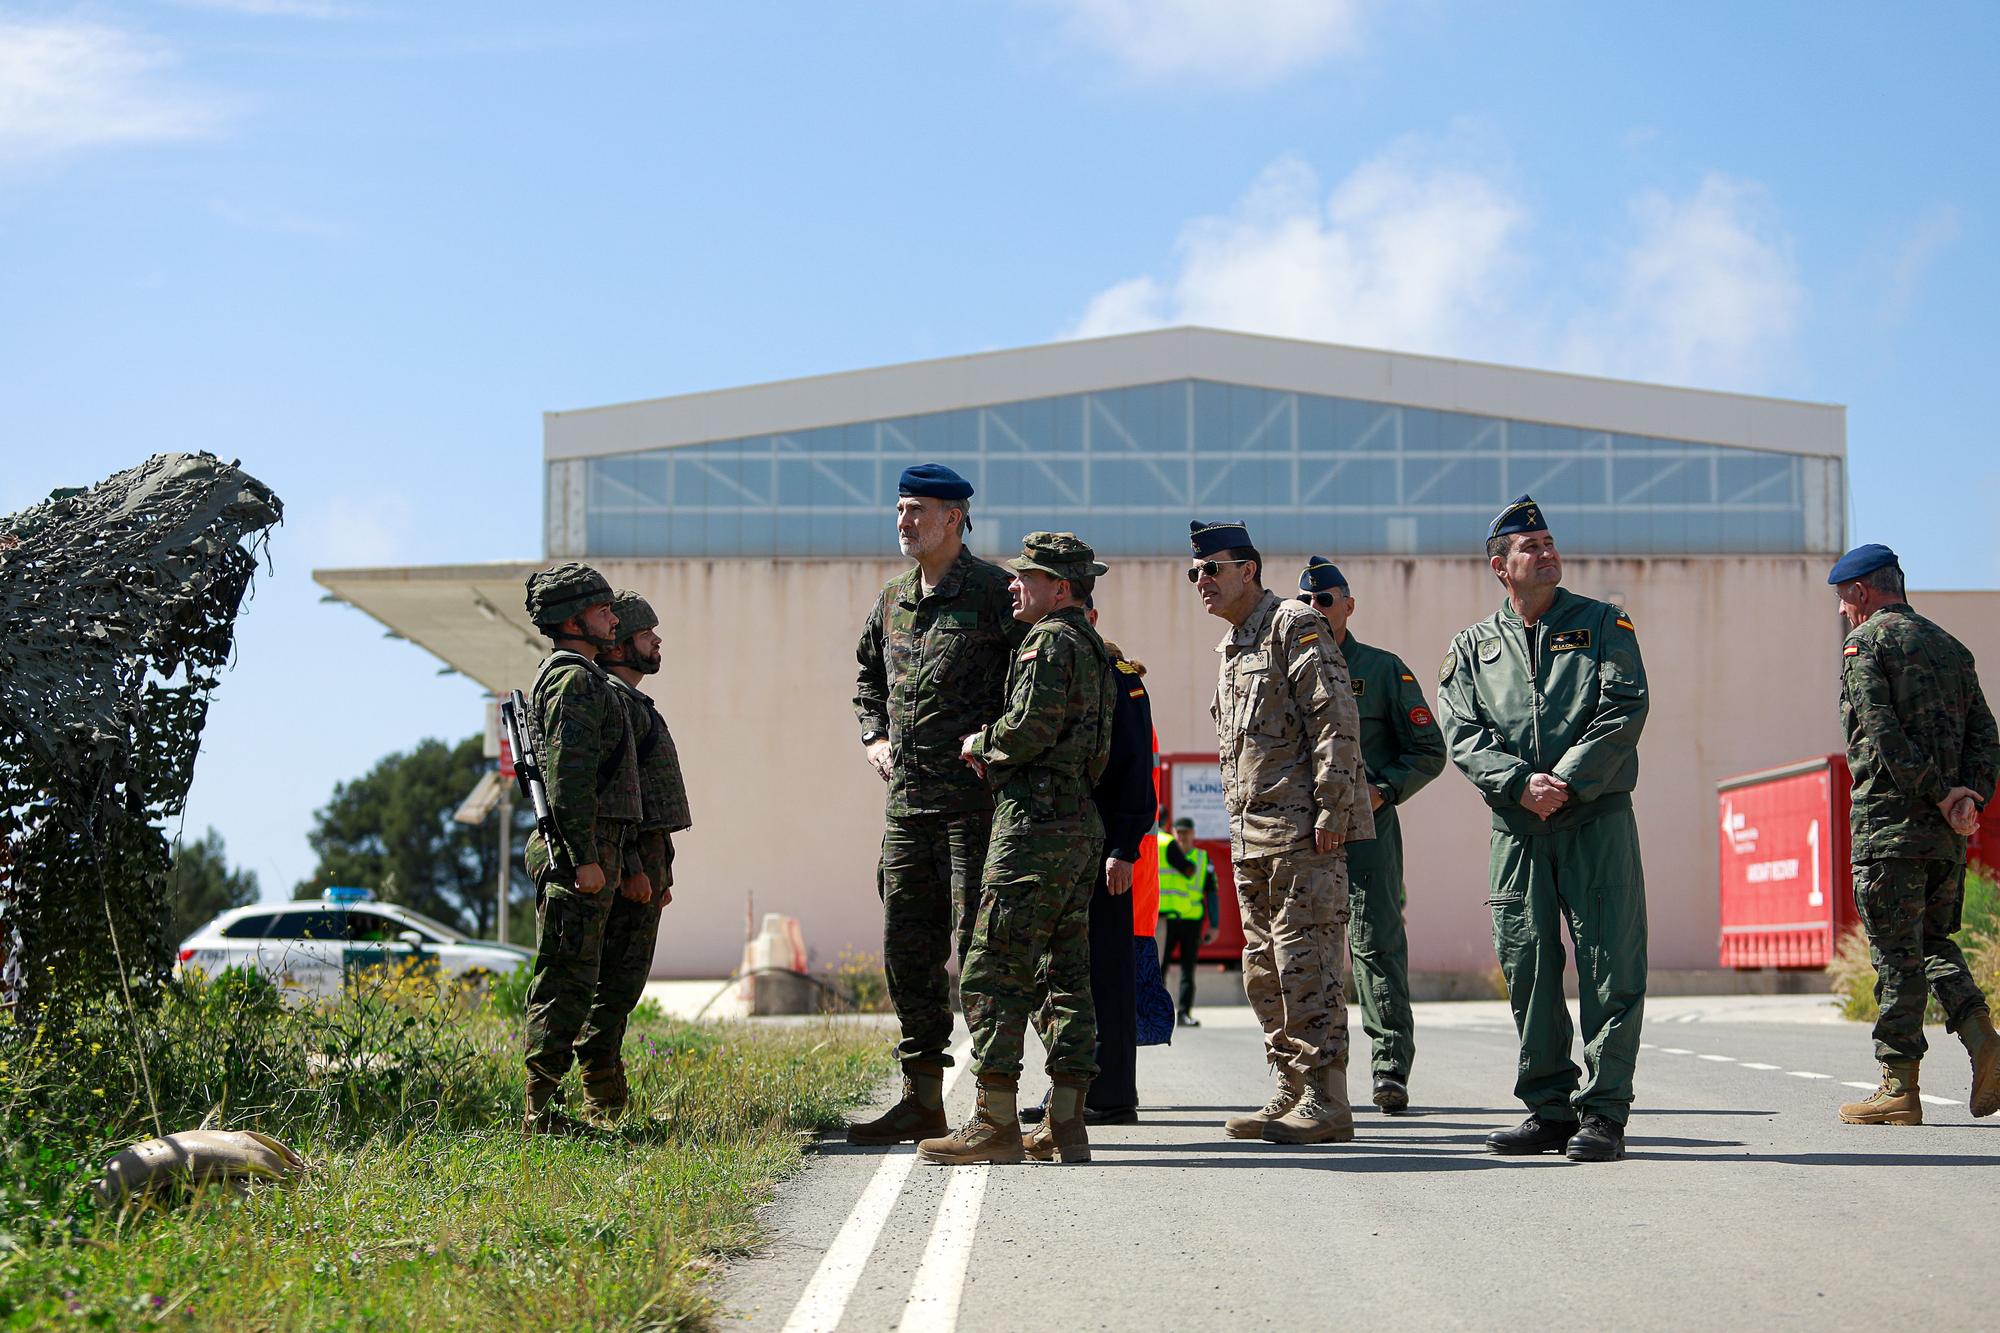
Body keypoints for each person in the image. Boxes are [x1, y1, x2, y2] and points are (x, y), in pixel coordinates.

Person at [1437, 496, 1649, 1163]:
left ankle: (1606, 1112)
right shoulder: (1472, 647)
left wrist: (1567, 778)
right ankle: (1549, 1107)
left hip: (1595, 815)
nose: (1548, 552)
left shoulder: (1603, 622)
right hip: (1518, 825)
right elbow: (1461, 730)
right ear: (1501, 567)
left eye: (1551, 541)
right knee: (1527, 962)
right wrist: (1519, 783)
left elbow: (1624, 705)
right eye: (1532, 546)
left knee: (1609, 959)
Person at [919, 533, 1116, 1166]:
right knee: (1065, 974)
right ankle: (1066, 1121)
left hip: (1034, 823)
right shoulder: (1090, 644)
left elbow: (1029, 729)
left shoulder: (1049, 641)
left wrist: (981, 744)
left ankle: (995, 1122)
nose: (1013, 585)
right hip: (1078, 821)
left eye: (1027, 578)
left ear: (1061, 589)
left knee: (992, 970)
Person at [848, 464, 1026, 1146]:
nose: (903, 520)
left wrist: (1002, 749)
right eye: (899, 507)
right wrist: (874, 734)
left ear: (954, 518)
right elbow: (868, 672)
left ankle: (992, 1106)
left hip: (973, 808)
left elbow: (1033, 677)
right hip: (907, 808)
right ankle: (921, 1099)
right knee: (906, 946)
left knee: (980, 949)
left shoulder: (992, 592)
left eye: (917, 509)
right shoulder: (893, 597)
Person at [1192, 520, 1372, 1146]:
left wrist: (1331, 809)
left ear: (1249, 569)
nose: (1201, 582)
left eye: (1211, 568)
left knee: (1307, 963)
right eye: (1194, 573)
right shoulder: (1231, 645)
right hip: (1251, 838)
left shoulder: (1293, 623)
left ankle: (1328, 1098)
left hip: (1302, 835)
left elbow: (1334, 716)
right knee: (1264, 972)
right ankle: (1291, 1090)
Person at [1826, 544, 2000, 1125]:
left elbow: (1879, 736)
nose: (1841, 611)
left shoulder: (1865, 645)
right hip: (1946, 834)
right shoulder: (1953, 648)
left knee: (1897, 956)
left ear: (1861, 593)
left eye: (1842, 599)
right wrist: (1967, 796)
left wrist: (1936, 792)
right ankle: (1984, 1042)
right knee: (1932, 944)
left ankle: (1898, 1087)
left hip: (1889, 827)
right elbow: (1986, 737)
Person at [1297, 557, 1446, 1115]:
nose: (1316, 610)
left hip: (1367, 832)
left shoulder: (1383, 671)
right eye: (1307, 601)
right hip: (1302, 835)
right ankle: (1312, 1076)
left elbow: (1429, 749)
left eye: (1326, 600)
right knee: (1304, 953)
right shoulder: (1285, 669)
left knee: (1376, 947)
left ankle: (1389, 1070)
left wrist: (1385, 789)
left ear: (1348, 606)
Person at [518, 563, 643, 1135]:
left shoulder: (584, 678)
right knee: (565, 983)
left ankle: (557, 1109)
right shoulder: (573, 682)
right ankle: (540, 1114)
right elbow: (569, 780)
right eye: (602, 611)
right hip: (577, 857)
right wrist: (585, 857)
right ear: (573, 620)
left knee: (580, 979)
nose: (614, 619)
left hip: (593, 851)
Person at [572, 590, 694, 1121]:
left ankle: (606, 1093)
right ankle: (600, 1095)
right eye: (647, 635)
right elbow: (623, 798)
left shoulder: (632, 704)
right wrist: (638, 870)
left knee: (623, 985)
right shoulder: (614, 703)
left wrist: (658, 868)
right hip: (625, 866)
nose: (657, 642)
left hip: (642, 864)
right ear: (620, 646)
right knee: (611, 984)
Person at [1156, 817, 1219, 1026]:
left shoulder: (1202, 858)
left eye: (1186, 833)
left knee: (1187, 970)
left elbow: (1211, 892)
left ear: (1193, 834)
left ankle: (1183, 1013)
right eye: (1179, 832)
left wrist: (1215, 924)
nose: (1182, 836)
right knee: (1159, 968)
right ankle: (1159, 1013)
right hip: (1167, 918)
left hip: (1192, 920)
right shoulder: (1165, 852)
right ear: (1173, 833)